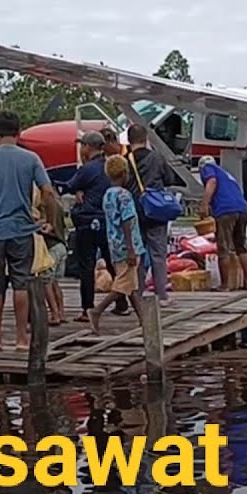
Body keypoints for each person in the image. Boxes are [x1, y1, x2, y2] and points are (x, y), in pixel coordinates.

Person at [0, 110, 59, 351]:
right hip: (22, 230)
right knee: (22, 284)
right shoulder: (31, 159)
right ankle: (21, 338)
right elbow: (48, 193)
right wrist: (50, 221)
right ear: (19, 132)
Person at [66, 130, 128, 321]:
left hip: (88, 221)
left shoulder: (87, 169)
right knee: (112, 263)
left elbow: (68, 185)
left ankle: (87, 308)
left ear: (87, 147)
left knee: (87, 265)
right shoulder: (109, 166)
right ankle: (122, 302)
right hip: (109, 221)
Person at [88, 155, 147, 335]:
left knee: (132, 286)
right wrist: (130, 248)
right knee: (123, 284)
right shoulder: (124, 195)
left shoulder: (108, 195)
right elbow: (127, 221)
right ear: (124, 174)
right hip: (128, 246)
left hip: (114, 245)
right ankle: (97, 310)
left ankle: (144, 320)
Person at [124, 123, 174, 307]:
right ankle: (161, 294)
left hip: (134, 212)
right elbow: (169, 179)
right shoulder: (157, 157)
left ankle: (138, 293)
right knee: (158, 254)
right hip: (156, 212)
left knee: (137, 254)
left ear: (128, 140)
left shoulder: (125, 160)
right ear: (146, 138)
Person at [198, 155, 247, 292]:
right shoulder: (227, 175)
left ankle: (225, 285)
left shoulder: (208, 168)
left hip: (226, 210)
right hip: (242, 209)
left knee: (223, 247)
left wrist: (204, 204)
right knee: (241, 246)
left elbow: (212, 181)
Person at [35, 188, 69, 326]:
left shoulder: (46, 208)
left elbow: (45, 224)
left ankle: (54, 313)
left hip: (51, 247)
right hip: (62, 245)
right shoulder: (59, 205)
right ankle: (61, 312)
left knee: (46, 281)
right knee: (55, 282)